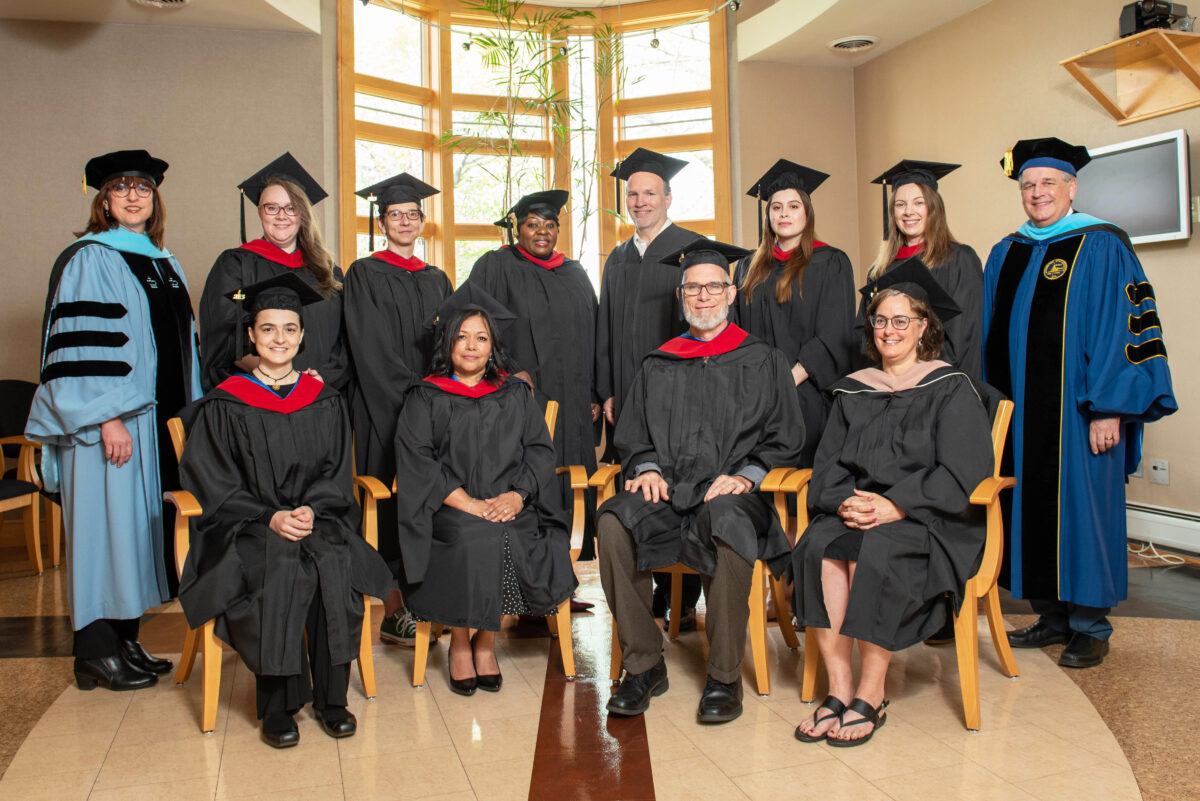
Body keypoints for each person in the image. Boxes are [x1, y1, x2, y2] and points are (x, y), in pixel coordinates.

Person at [983, 137, 1176, 669]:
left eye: (1048, 183)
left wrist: (1110, 407)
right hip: (1020, 418)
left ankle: (1090, 625)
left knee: (1084, 512)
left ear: (1072, 187)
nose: (1037, 193)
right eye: (1028, 185)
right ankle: (1050, 616)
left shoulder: (1103, 245)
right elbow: (988, 341)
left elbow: (1125, 330)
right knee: (1026, 508)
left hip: (1080, 414)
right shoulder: (1007, 252)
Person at [178, 273, 391, 747]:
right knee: (281, 567)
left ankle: (332, 699)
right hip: (247, 524)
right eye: (268, 329)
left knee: (333, 561)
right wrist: (269, 515)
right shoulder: (227, 403)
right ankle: (278, 704)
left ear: (302, 335)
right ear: (251, 335)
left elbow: (337, 471)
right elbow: (213, 480)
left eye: (290, 329)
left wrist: (311, 510)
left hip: (317, 516)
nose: (280, 338)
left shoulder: (324, 398)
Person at [599, 240, 804, 724]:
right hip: (668, 492)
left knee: (730, 523)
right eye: (693, 288)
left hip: (731, 496)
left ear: (731, 294)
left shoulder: (763, 360)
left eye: (713, 286)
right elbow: (633, 436)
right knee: (612, 521)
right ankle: (644, 664)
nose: (703, 296)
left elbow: (786, 437)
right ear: (681, 296)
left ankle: (724, 674)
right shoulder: (659, 363)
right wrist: (646, 467)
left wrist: (746, 476)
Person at [790, 271, 993, 747]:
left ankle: (871, 692)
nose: (889, 330)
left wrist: (896, 504)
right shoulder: (853, 389)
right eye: (881, 320)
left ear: (925, 327)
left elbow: (961, 470)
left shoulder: (950, 386)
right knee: (816, 546)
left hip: (927, 519)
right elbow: (828, 465)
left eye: (902, 320)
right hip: (859, 511)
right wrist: (848, 502)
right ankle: (838, 691)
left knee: (872, 549)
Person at [26, 149, 202, 691]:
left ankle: (125, 640)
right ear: (103, 199)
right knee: (105, 532)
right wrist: (107, 419)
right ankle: (94, 654)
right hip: (113, 427)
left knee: (135, 534)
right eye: (121, 188)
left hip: (156, 427)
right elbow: (84, 348)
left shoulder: (160, 260)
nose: (132, 196)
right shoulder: (90, 257)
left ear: (155, 199)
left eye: (142, 188)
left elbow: (183, 349)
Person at [393, 284, 578, 695]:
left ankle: (486, 641)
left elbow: (540, 451)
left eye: (482, 338)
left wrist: (517, 496)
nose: (471, 346)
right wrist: (469, 503)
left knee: (509, 532)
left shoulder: (513, 393)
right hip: (450, 507)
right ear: (448, 342)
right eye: (462, 336)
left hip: (512, 504)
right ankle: (460, 643)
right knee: (467, 535)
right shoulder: (425, 396)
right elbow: (418, 459)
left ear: (492, 346)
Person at [595, 148, 705, 623]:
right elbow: (605, 330)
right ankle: (655, 587)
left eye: (649, 193)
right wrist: (607, 391)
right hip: (628, 397)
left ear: (668, 197)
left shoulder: (692, 251)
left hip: (680, 400)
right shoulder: (618, 258)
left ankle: (682, 591)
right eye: (633, 194)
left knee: (679, 488)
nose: (640, 202)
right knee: (637, 492)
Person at [467, 190, 599, 579]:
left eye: (550, 225)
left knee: (569, 481)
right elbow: (475, 325)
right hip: (520, 402)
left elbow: (594, 332)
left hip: (573, 402)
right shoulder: (495, 266)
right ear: (517, 229)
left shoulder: (573, 272)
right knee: (529, 479)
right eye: (532, 224)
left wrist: (593, 391)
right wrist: (506, 370)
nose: (542, 232)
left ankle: (562, 582)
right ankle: (524, 586)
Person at [344, 172, 452, 647]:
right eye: (395, 215)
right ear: (382, 221)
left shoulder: (438, 278)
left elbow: (449, 346)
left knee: (430, 502)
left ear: (423, 222)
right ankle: (394, 610)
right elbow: (368, 348)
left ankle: (430, 599)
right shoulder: (364, 274)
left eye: (412, 214)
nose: (404, 221)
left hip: (431, 412)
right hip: (382, 409)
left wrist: (439, 401)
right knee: (389, 506)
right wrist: (412, 403)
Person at [733, 158, 856, 467]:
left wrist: (786, 382)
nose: (784, 214)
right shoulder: (749, 268)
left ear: (807, 213)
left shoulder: (831, 263)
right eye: (776, 207)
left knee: (796, 483)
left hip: (806, 395)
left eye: (793, 206)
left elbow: (834, 334)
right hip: (754, 396)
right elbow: (735, 331)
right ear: (768, 215)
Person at [199, 152, 349, 392]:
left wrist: (322, 379)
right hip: (261, 397)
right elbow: (222, 338)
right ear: (259, 211)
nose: (282, 216)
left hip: (322, 396)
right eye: (272, 208)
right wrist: (278, 379)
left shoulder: (329, 273)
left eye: (291, 208)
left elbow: (345, 342)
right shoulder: (235, 265)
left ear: (303, 213)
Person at [861, 160, 983, 379]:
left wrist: (912, 380)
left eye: (919, 202)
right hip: (887, 386)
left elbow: (963, 338)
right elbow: (865, 337)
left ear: (933, 207)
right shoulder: (880, 270)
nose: (908, 212)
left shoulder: (959, 260)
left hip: (938, 385)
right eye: (900, 204)